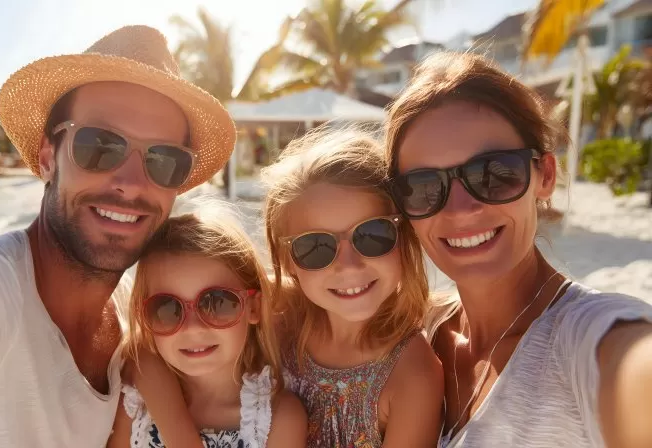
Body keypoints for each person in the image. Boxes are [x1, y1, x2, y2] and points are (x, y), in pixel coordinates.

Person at [0, 25, 236, 448]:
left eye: (164, 160)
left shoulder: (139, 312)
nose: (130, 182)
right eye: (100, 146)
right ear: (48, 157)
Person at [384, 51, 652, 448]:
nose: (461, 210)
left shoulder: (591, 338)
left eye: (493, 173)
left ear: (544, 176)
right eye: (424, 188)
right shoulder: (417, 330)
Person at [260, 126, 444, 447]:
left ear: (404, 236)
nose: (348, 265)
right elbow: (147, 347)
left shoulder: (413, 373)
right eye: (315, 246)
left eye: (372, 235)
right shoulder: (275, 319)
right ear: (287, 259)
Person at [109, 203, 307, 447]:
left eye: (218, 302)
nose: (193, 328)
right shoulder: (135, 406)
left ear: (253, 308)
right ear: (145, 318)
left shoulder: (279, 418)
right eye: (166, 309)